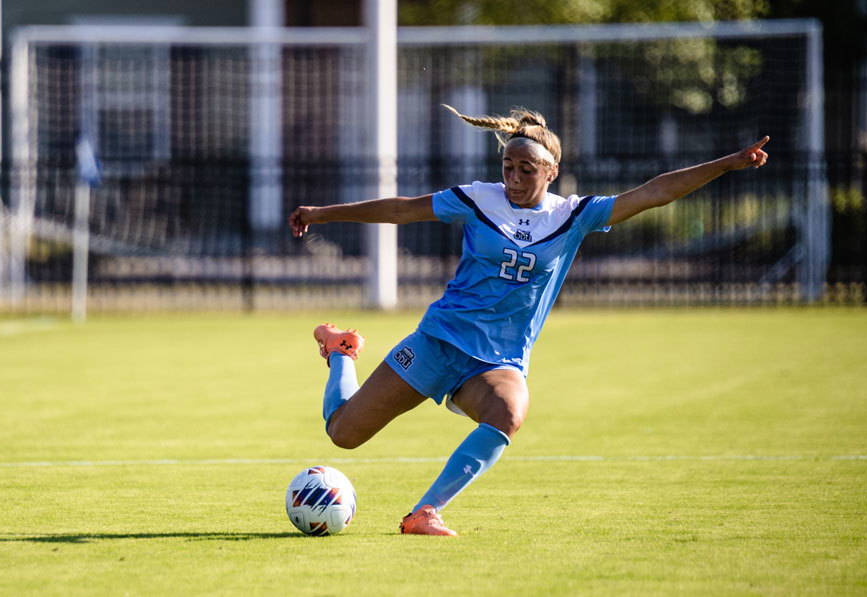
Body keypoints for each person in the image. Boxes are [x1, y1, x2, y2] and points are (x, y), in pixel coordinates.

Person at [288, 105, 769, 536]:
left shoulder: (574, 215)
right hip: (438, 342)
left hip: (496, 360)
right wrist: (323, 214)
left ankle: (425, 512)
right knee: (343, 434)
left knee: (509, 411)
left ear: (552, 171)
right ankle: (340, 353)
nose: (514, 178)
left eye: (526, 169)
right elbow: (402, 208)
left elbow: (655, 192)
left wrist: (727, 163)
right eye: (508, 167)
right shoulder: (477, 199)